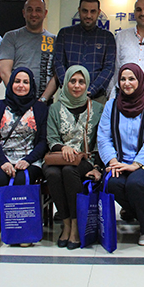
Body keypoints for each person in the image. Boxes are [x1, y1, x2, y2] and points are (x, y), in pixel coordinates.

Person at [98, 63, 144, 246]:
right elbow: (103, 137)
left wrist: (136, 164)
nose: (127, 83)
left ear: (140, 81)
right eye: (123, 79)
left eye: (131, 79)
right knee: (112, 183)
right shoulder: (111, 106)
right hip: (121, 160)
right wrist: (112, 161)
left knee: (135, 183)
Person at [0, 67, 48, 248]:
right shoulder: (0, 106)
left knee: (22, 180)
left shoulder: (40, 108)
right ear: (11, 83)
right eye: (17, 81)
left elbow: (43, 141)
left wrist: (28, 160)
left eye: (25, 82)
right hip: (0, 157)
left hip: (29, 159)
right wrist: (3, 162)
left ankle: (23, 231)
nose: (21, 85)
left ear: (31, 85)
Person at [44, 65, 104, 250]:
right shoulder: (55, 108)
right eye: (73, 81)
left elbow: (101, 141)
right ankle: (66, 223)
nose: (77, 86)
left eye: (81, 82)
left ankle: (76, 226)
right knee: (53, 173)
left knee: (70, 171)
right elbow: (51, 138)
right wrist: (64, 148)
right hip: (58, 158)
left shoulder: (98, 108)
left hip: (86, 161)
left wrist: (98, 167)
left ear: (87, 85)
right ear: (66, 83)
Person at [54, 0, 116, 103]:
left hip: (96, 97)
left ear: (98, 12)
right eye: (85, 11)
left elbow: (109, 68)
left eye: (93, 11)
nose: (88, 15)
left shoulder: (107, 37)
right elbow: (58, 63)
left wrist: (90, 90)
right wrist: (70, 88)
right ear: (79, 10)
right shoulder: (65, 34)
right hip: (68, 97)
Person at [0, 0, 57, 103]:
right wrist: (18, 97)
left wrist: (43, 100)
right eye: (29, 10)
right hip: (16, 103)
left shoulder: (54, 40)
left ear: (45, 13)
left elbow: (56, 75)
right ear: (24, 13)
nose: (34, 14)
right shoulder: (11, 37)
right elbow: (4, 72)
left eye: (38, 10)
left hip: (44, 103)